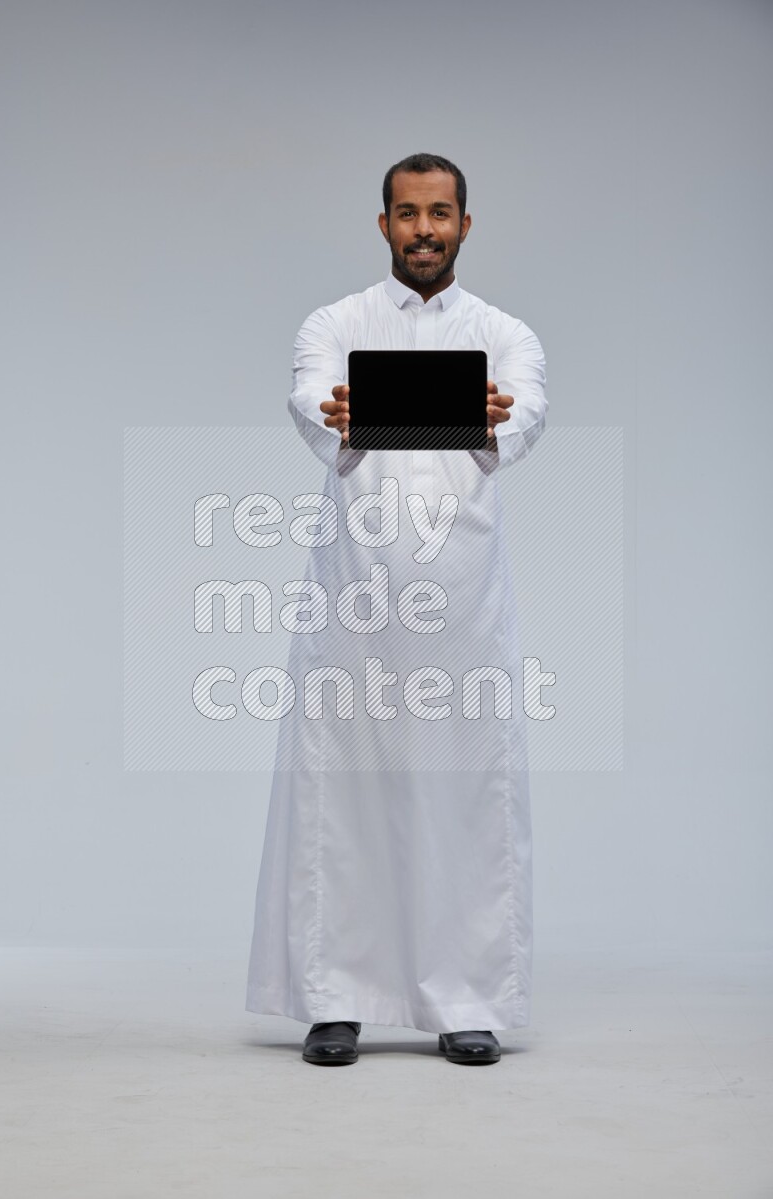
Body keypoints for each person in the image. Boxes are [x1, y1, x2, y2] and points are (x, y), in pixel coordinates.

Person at [245, 152, 548, 1066]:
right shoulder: (334, 324)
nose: (424, 230)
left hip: (463, 602)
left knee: (464, 793)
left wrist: (432, 412)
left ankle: (467, 1000)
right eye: (408, 213)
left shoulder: (505, 333)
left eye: (440, 213)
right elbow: (315, 404)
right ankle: (333, 999)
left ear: (465, 224)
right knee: (341, 793)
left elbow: (522, 414)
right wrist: (417, 409)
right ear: (383, 224)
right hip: (356, 598)